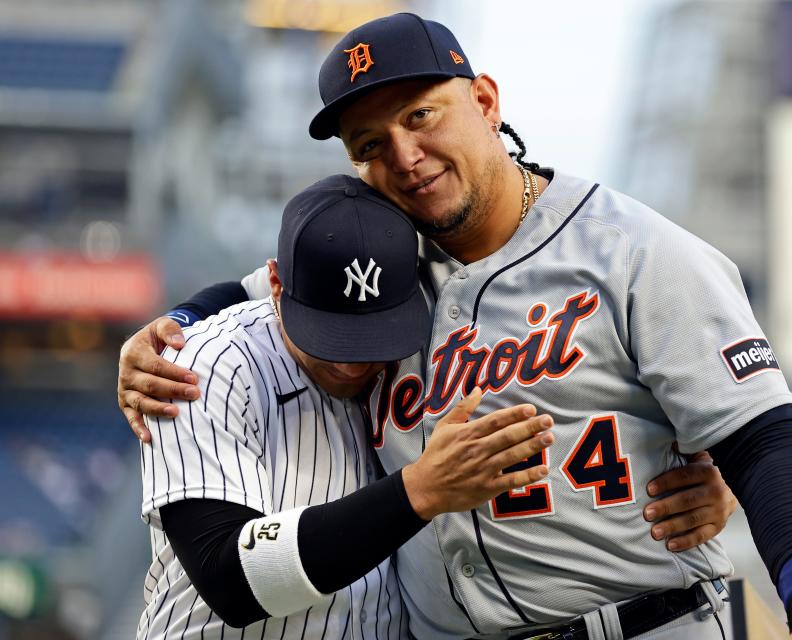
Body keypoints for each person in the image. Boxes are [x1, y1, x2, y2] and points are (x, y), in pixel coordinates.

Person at [119, 13, 792, 640]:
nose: (403, 157)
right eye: (369, 145)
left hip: (647, 620)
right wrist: (173, 323)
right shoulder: (378, 259)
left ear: (486, 101)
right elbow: (264, 286)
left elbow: (766, 441)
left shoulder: (635, 251)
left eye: (421, 116)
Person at [136, 174, 558, 639]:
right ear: (275, 285)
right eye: (332, 337)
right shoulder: (205, 363)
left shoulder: (415, 336)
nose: (354, 363)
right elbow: (230, 580)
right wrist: (420, 491)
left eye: (374, 334)